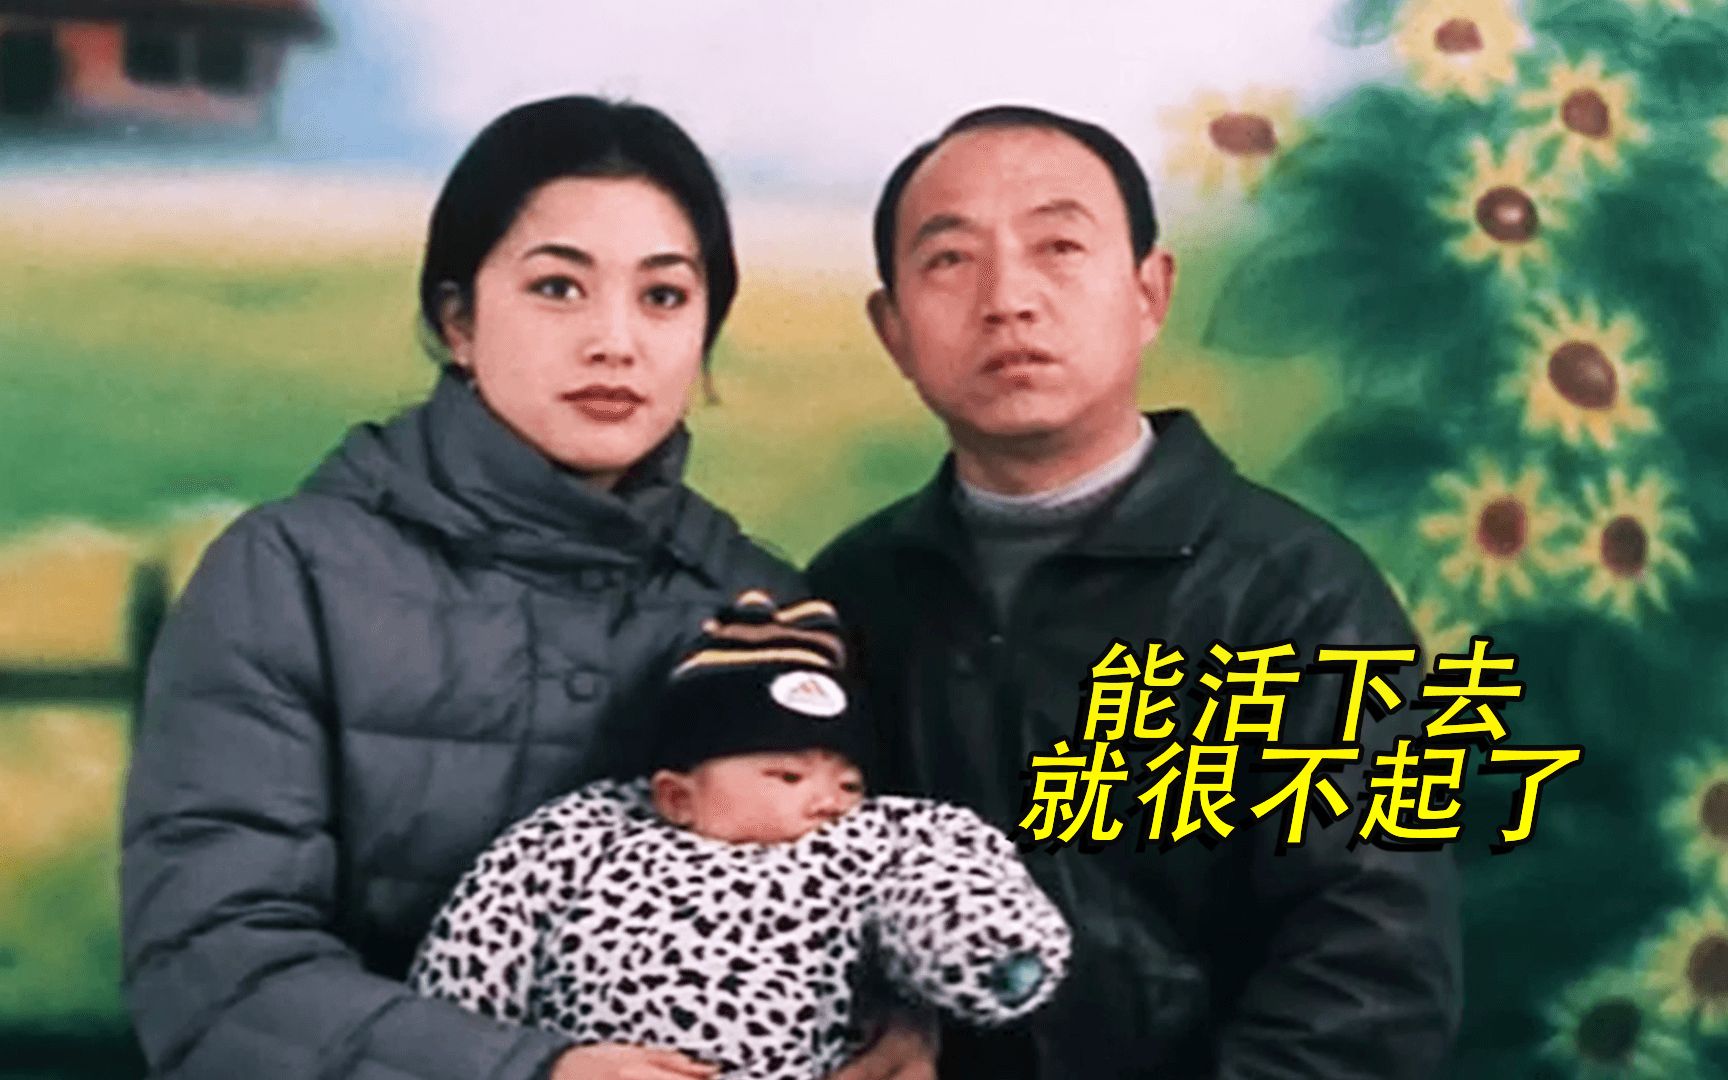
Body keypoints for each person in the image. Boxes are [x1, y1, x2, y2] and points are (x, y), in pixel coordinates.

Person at [120, 96, 933, 1080]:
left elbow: (853, 889)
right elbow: (214, 973)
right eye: (558, 287)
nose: (614, 341)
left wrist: (897, 1027)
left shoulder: (760, 610)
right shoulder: (287, 578)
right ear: (457, 320)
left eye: (663, 296)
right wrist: (530, 1072)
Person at [808, 105, 1463, 1079]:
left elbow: (1375, 978)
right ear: (893, 329)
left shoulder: (1305, 599)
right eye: (950, 260)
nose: (1008, 300)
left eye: (1059, 246)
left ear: (1149, 292)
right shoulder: (848, 598)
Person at [408, 591, 1071, 1079]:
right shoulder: (584, 835)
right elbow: (484, 942)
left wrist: (988, 953)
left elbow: (940, 881)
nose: (827, 801)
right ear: (678, 796)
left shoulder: (867, 845)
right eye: (787, 775)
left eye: (848, 782)